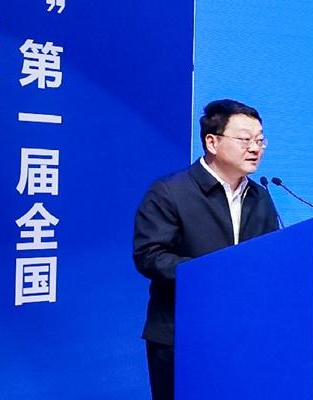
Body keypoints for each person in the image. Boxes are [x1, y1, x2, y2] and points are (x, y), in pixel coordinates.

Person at [133, 99, 279, 400]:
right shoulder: (170, 192)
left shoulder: (260, 197)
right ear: (212, 142)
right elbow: (149, 255)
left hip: (242, 333)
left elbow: (271, 256)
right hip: (181, 334)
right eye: (245, 140)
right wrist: (212, 273)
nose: (255, 148)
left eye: (260, 140)